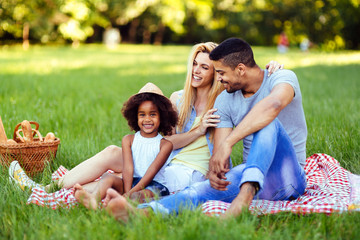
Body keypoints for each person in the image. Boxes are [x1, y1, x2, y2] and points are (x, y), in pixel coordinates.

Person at [9, 42, 283, 199]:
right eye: (194, 64)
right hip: (167, 159)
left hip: (188, 172)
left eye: (205, 67)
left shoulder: (224, 98)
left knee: (116, 169)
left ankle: (56, 193)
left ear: (217, 72)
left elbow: (249, 83)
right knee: (115, 157)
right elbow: (167, 142)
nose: (196, 71)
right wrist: (195, 129)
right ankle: (49, 190)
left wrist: (271, 69)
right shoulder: (179, 99)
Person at [102, 37, 307, 222]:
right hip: (248, 175)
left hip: (289, 176)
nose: (218, 79)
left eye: (221, 73)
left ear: (241, 69)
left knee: (268, 122)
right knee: (196, 191)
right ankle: (141, 213)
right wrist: (216, 172)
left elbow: (273, 106)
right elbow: (219, 156)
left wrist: (228, 143)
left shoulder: (281, 77)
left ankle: (243, 199)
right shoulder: (225, 99)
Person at [72, 82, 178, 208]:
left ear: (162, 117)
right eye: (142, 114)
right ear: (135, 116)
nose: (147, 119)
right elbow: (128, 168)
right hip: (131, 181)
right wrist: (127, 190)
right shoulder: (128, 140)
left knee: (136, 196)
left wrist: (129, 194)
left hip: (154, 186)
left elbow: (151, 172)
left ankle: (120, 203)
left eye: (153, 114)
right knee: (107, 177)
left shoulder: (165, 145)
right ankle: (93, 198)